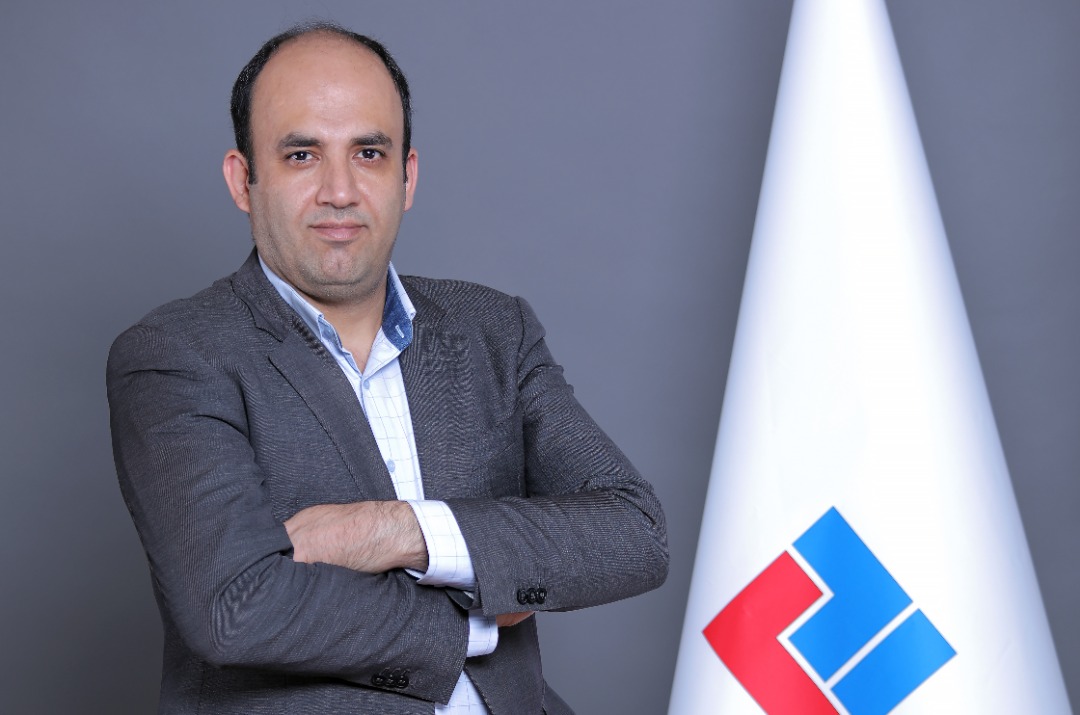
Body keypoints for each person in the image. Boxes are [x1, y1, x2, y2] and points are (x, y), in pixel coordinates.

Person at [107, 21, 668, 715]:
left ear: (407, 176)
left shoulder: (494, 329)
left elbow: (633, 531)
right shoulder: (176, 355)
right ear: (243, 180)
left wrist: (395, 531)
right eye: (302, 155)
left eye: (368, 153)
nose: (340, 191)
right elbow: (236, 607)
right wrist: (477, 608)